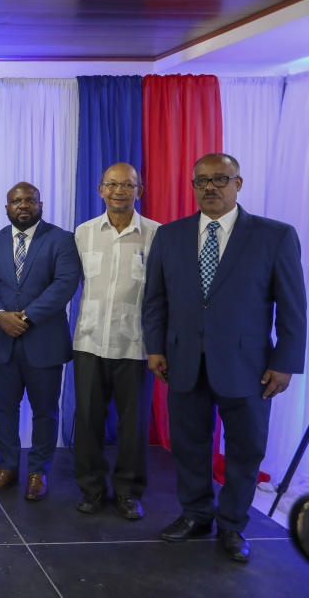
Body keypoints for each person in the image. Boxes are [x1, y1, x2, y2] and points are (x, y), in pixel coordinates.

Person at [144, 153, 306, 562]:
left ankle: (233, 524)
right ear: (193, 186)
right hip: (183, 363)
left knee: (246, 450)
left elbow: (293, 308)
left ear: (239, 183)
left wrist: (285, 362)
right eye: (202, 181)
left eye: (220, 179)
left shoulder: (274, 236)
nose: (210, 187)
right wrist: (155, 347)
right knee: (188, 446)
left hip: (249, 368)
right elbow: (155, 299)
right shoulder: (170, 235)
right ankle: (196, 513)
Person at [0, 182, 81, 501]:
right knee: (3, 410)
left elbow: (65, 285)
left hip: (44, 342)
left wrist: (26, 316)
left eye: (29, 200)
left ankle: (38, 471)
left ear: (41, 205)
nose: (23, 205)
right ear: (6, 207)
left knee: (44, 411)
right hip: (1, 342)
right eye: (15, 201)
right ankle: (7, 467)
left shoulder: (61, 240)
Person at [72, 163, 159, 520]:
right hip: (89, 342)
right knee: (89, 420)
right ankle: (91, 489)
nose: (120, 191)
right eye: (112, 184)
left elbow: (161, 294)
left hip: (135, 345)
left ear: (139, 191)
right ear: (100, 189)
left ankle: (128, 492)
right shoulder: (83, 233)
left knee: (133, 425)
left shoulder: (156, 234)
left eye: (128, 185)